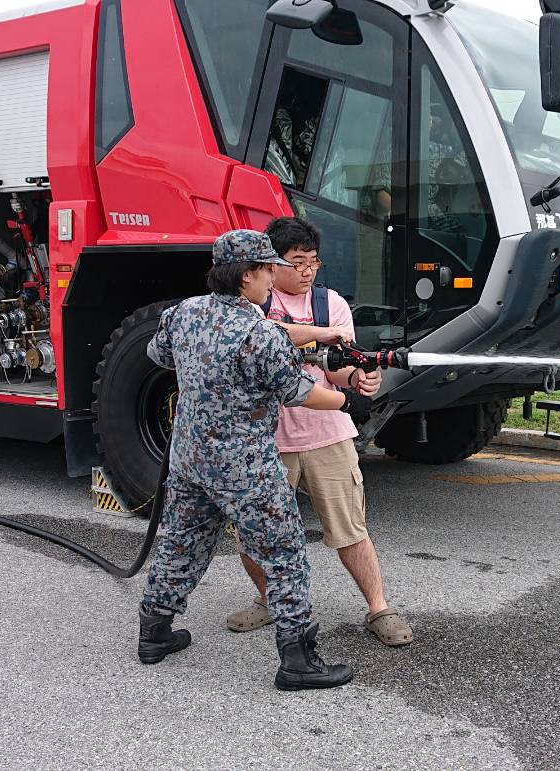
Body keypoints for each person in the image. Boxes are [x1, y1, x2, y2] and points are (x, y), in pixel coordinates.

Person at [135, 229, 375, 692]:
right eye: (268, 269)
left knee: (181, 541)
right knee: (285, 557)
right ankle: (298, 661)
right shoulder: (259, 333)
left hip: (188, 457)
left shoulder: (183, 313)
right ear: (247, 276)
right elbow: (298, 391)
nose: (273, 277)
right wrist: (349, 403)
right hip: (244, 464)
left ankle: (155, 631)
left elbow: (157, 354)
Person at [224, 217, 414, 648]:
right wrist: (316, 338)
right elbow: (272, 338)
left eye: (313, 262)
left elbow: (341, 366)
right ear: (271, 264)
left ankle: (379, 608)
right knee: (254, 531)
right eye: (296, 262)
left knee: (351, 529)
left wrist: (360, 380)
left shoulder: (333, 305)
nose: (307, 271)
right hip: (266, 440)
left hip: (327, 433)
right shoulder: (252, 303)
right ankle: (269, 599)